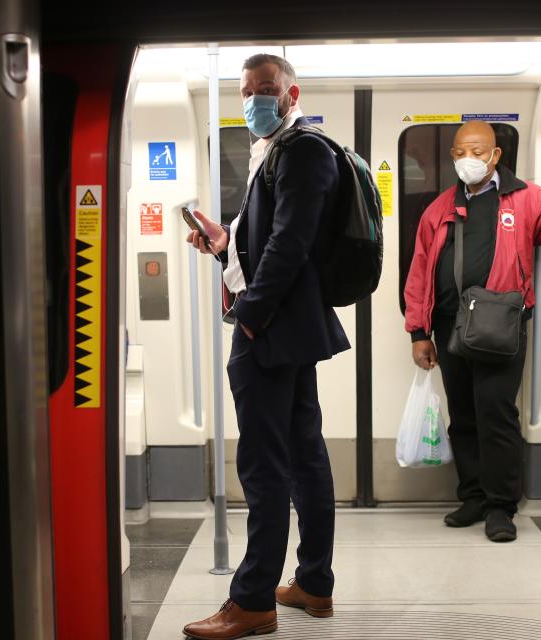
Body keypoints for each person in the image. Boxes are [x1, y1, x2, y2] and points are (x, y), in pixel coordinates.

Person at [182, 53, 349, 639]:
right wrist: (224, 243)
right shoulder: (275, 152)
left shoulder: (301, 150)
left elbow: (289, 245)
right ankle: (314, 584)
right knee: (304, 455)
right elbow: (263, 244)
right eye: (247, 91)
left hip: (272, 330)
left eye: (265, 89)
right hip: (287, 328)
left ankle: (252, 600)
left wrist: (249, 317)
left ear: (290, 91)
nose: (254, 99)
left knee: (264, 466)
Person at [403, 120, 541, 543]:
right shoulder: (439, 209)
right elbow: (419, 272)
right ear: (453, 158)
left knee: (496, 414)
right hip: (450, 327)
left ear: (496, 155)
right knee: (463, 416)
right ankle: (472, 497)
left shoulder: (526, 199)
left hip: (499, 324)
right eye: (460, 153)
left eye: (478, 152)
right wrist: (418, 331)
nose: (469, 160)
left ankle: (501, 505)